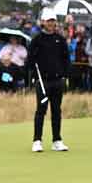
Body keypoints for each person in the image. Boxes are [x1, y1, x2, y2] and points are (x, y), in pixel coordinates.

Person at [27, 15, 72, 151]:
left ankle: (57, 140)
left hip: (57, 80)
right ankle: (37, 140)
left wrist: (65, 77)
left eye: (53, 21)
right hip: (43, 81)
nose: (51, 23)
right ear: (43, 22)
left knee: (56, 111)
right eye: (48, 21)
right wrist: (35, 77)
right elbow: (30, 61)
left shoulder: (60, 39)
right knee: (41, 111)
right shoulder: (37, 40)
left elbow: (66, 60)